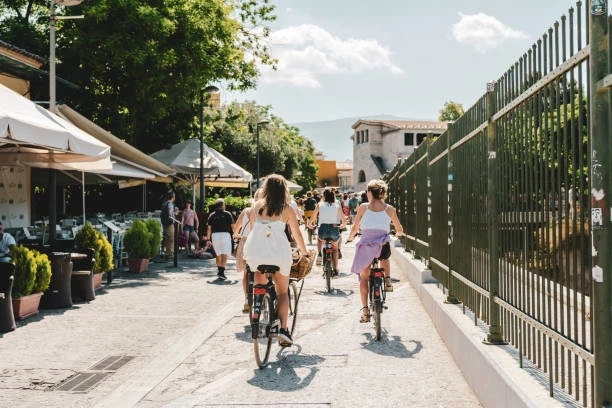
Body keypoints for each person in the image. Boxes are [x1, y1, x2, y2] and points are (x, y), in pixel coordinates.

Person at [243, 174, 308, 347]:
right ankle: (284, 329)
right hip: (279, 254)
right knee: (282, 292)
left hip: (256, 253)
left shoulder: (256, 206)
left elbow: (252, 230)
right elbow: (297, 233)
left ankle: (258, 304)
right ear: (283, 190)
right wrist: (305, 252)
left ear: (265, 189)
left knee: (259, 284)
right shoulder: (287, 209)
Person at [346, 179, 404, 323]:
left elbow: (355, 227)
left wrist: (350, 237)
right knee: (385, 258)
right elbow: (399, 228)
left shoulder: (363, 208)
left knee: (364, 278)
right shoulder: (390, 209)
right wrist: (399, 234)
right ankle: (388, 281)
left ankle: (365, 311)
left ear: (370, 193)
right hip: (382, 246)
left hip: (366, 247)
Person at [233, 189, 262, 313]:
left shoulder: (246, 211)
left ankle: (246, 299)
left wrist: (238, 235)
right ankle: (259, 297)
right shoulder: (265, 211)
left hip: (244, 243)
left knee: (246, 273)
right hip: (259, 244)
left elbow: (236, 229)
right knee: (259, 272)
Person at [308, 187, 346, 275]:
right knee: (335, 249)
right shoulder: (337, 205)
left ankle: (320, 254)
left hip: (323, 229)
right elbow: (343, 220)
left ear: (324, 196)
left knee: (319, 239)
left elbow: (313, 218)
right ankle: (336, 270)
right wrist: (341, 226)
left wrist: (310, 225)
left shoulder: (320, 205)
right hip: (334, 228)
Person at [206, 198, 235, 280]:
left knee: (218, 254)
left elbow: (209, 228)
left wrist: (208, 239)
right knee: (224, 253)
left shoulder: (212, 215)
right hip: (225, 235)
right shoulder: (227, 214)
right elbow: (233, 226)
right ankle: (221, 272)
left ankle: (219, 271)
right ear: (222, 206)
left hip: (215, 236)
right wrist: (235, 235)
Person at [160, 190, 176, 260]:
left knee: (166, 239)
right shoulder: (170, 203)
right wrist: (173, 218)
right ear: (173, 196)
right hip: (169, 223)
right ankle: (170, 254)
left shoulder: (164, 203)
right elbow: (169, 213)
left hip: (164, 223)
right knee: (171, 239)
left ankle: (167, 253)